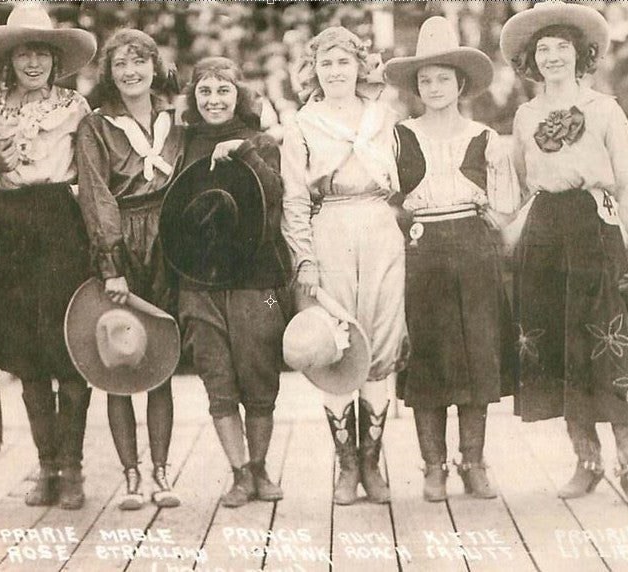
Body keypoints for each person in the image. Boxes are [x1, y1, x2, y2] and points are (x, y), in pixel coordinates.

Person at [500, 1, 628, 503]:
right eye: (543, 50)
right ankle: (586, 460)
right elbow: (517, 185)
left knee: (611, 347)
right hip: (544, 235)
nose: (552, 57)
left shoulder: (605, 110)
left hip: (594, 229)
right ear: (532, 60)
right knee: (562, 347)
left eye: (562, 48)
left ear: (581, 55)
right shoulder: (525, 115)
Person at [383, 17, 519, 502]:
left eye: (443, 78)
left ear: (460, 84)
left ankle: (474, 461)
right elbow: (387, 198)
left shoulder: (484, 137)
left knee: (477, 354)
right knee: (430, 357)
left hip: (475, 249)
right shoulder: (398, 136)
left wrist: (489, 215)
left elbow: (505, 206)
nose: (434, 87)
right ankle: (433, 465)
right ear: (416, 87)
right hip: (422, 251)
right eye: (425, 79)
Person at [0, 4, 96, 510]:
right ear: (9, 58)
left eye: (42, 51)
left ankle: (73, 468)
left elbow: (88, 173)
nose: (34, 62)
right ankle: (46, 465)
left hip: (60, 223)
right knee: (27, 351)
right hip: (8, 225)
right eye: (24, 52)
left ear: (55, 57)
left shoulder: (75, 106)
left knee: (66, 346)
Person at [281, 27, 406, 505]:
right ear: (314, 70)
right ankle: (346, 466)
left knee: (381, 342)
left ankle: (373, 463)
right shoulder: (302, 123)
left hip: (379, 226)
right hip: (329, 228)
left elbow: (404, 180)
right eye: (326, 64)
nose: (335, 72)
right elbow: (294, 199)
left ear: (359, 67)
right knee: (337, 342)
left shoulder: (383, 117)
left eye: (344, 62)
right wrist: (304, 261)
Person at [167, 56, 292, 508]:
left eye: (223, 90)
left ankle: (260, 467)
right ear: (193, 98)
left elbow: (276, 194)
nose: (214, 100)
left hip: (257, 279)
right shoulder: (180, 143)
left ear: (239, 95)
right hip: (198, 278)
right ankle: (239, 473)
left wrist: (245, 152)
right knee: (216, 374)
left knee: (260, 374)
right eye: (205, 91)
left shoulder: (261, 141)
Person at [75, 29, 181, 510]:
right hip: (122, 239)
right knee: (118, 356)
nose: (131, 72)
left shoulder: (176, 120)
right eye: (121, 64)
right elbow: (97, 198)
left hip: (171, 245)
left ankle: (162, 474)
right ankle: (131, 476)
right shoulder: (97, 125)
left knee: (159, 357)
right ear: (109, 72)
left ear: (155, 67)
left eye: (140, 61)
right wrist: (110, 263)